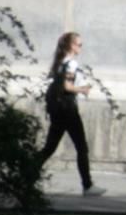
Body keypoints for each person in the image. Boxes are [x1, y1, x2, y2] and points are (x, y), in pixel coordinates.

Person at [36, 31, 103, 196]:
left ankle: (26, 176)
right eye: (79, 45)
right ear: (71, 46)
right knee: (82, 147)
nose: (81, 47)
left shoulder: (59, 62)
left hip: (58, 110)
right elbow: (67, 86)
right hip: (68, 110)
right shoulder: (71, 63)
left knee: (49, 148)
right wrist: (82, 89)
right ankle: (87, 186)